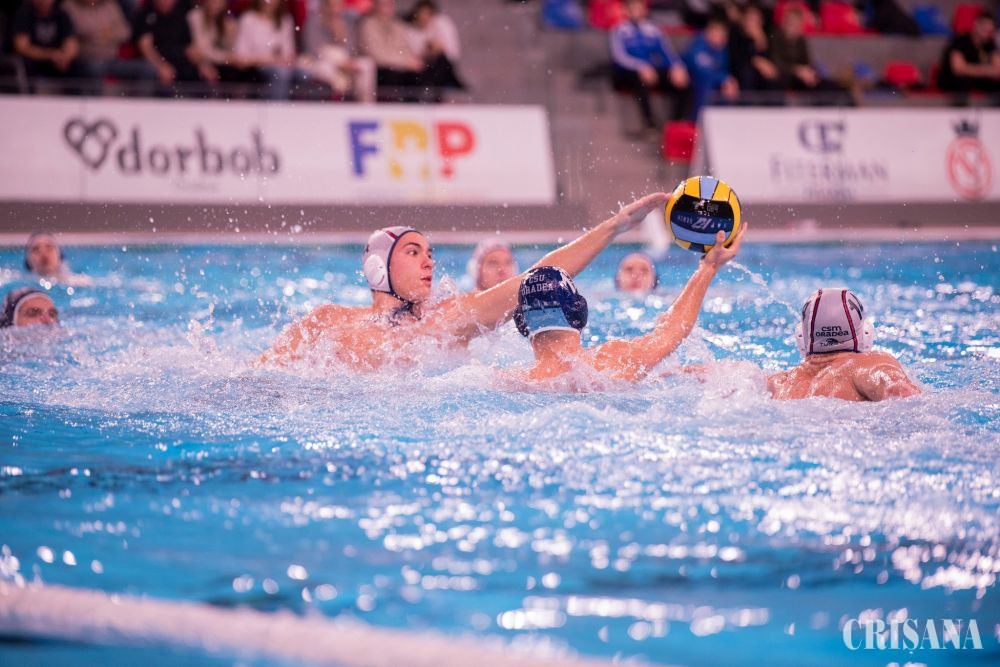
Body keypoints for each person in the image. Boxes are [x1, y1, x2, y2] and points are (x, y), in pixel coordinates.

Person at [260, 192, 671, 370]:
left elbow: (539, 276)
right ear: (377, 268)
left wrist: (614, 227)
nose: (428, 261)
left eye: (430, 253)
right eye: (413, 252)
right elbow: (261, 375)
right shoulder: (327, 321)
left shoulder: (446, 320)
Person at [507, 226, 744, 386]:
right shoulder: (610, 364)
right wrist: (708, 267)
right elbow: (672, 330)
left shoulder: (510, 382)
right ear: (579, 313)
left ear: (521, 323)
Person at [767, 288, 921, 401]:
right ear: (865, 333)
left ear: (802, 335)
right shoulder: (866, 366)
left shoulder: (778, 383)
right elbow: (901, 391)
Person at [609, 0, 691, 131]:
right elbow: (620, 57)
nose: (636, 12)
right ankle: (649, 123)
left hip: (652, 69)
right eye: (632, 8)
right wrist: (641, 66)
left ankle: (675, 123)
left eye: (639, 8)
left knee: (684, 81)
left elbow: (667, 52)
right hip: (628, 71)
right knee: (640, 80)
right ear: (626, 10)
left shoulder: (654, 29)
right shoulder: (618, 30)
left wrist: (677, 67)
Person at [62, 0, 157, 92]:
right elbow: (75, 30)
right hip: (85, 59)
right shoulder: (69, 5)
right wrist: (104, 33)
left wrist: (95, 35)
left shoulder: (110, 5)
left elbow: (125, 32)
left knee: (146, 69)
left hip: (112, 59)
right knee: (94, 68)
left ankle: (139, 102)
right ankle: (97, 101)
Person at [301, 0, 376, 102]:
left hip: (346, 61)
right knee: (327, 64)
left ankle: (365, 103)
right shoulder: (314, 22)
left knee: (366, 64)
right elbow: (314, 50)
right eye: (331, 6)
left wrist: (341, 36)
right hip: (322, 62)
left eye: (338, 6)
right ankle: (338, 101)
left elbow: (353, 49)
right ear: (324, 7)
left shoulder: (348, 23)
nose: (334, 10)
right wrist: (339, 62)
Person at [234, 0, 311, 99]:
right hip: (256, 68)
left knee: (305, 73)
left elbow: (288, 53)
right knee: (280, 74)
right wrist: (271, 59)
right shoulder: (248, 19)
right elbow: (241, 57)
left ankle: (301, 105)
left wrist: (279, 59)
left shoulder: (285, 20)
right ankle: (277, 106)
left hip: (280, 65)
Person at [768, 6, 847, 101]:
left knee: (824, 83)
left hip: (800, 76)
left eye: (796, 24)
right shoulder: (775, 36)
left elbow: (806, 61)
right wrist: (797, 70)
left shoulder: (800, 40)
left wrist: (808, 72)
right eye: (790, 22)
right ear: (784, 22)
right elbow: (776, 62)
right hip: (783, 75)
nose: (792, 27)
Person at [135, 0, 217, 90]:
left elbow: (190, 46)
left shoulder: (182, 12)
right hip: (160, 60)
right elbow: (146, 46)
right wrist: (161, 65)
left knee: (205, 74)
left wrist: (203, 64)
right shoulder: (146, 14)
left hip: (182, 61)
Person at [11, 0, 87, 90]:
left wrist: (65, 57)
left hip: (56, 62)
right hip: (32, 61)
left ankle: (76, 98)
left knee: (79, 67)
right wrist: (51, 55)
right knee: (25, 66)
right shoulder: (24, 14)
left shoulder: (61, 14)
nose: (44, 2)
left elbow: (72, 44)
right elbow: (22, 47)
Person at [682, 12, 739, 120]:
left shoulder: (721, 50)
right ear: (708, 32)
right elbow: (701, 71)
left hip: (712, 81)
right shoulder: (698, 45)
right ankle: (696, 121)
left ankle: (723, 120)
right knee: (706, 85)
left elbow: (723, 70)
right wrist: (723, 79)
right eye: (718, 34)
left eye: (723, 35)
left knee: (727, 88)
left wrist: (728, 80)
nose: (721, 38)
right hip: (691, 80)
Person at [936, 11, 1000, 98]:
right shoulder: (960, 41)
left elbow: (998, 69)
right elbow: (958, 69)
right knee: (962, 82)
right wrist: (987, 70)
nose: (986, 33)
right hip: (952, 79)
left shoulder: (990, 44)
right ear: (976, 24)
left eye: (989, 31)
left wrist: (970, 69)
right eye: (984, 29)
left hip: (976, 79)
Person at [406, 0, 464, 91]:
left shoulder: (441, 24)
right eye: (421, 13)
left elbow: (452, 52)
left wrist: (436, 49)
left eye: (426, 13)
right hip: (422, 68)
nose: (423, 17)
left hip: (439, 67)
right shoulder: (411, 30)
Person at [23, 232, 92, 286]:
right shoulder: (23, 283)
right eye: (36, 249)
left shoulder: (80, 282)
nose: (43, 254)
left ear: (59, 255)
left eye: (49, 247)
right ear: (28, 260)